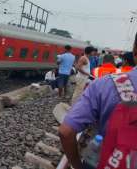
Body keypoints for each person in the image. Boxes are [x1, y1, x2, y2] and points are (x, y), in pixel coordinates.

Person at [58, 33, 137, 169]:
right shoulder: (93, 63)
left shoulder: (106, 81)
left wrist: (77, 166)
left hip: (109, 160)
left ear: (135, 49)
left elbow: (66, 131)